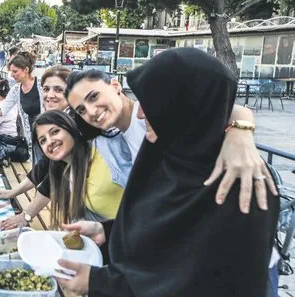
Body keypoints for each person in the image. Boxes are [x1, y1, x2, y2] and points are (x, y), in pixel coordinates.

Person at [55, 47, 279, 297]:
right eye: (81, 111)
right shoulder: (172, 149)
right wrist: (108, 232)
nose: (141, 112)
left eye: (93, 97)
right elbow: (166, 226)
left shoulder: (238, 178)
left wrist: (100, 283)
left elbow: (189, 278)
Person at [0, 51, 42, 162]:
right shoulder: (16, 89)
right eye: (11, 72)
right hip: (31, 135)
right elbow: (2, 110)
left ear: (26, 70)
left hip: (45, 132)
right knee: (37, 164)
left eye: (15, 71)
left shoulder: (41, 85)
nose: (12, 75)